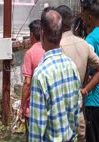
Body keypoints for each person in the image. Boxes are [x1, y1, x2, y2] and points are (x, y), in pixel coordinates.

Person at [29, 8, 81, 141]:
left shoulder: (41, 74)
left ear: (42, 33)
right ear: (61, 33)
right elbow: (77, 111)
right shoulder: (71, 66)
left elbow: (36, 130)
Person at [56, 5, 99, 142]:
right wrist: (84, 90)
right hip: (79, 112)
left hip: (61, 113)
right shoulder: (84, 43)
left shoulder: (57, 47)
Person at [81, 0, 99, 142]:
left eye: (83, 16)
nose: (82, 19)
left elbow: (86, 71)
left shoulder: (90, 40)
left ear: (90, 17)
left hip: (95, 100)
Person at [19, 19, 45, 139]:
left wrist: (22, 105)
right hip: (46, 106)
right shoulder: (48, 50)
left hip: (32, 108)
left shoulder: (30, 53)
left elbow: (27, 83)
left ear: (31, 35)